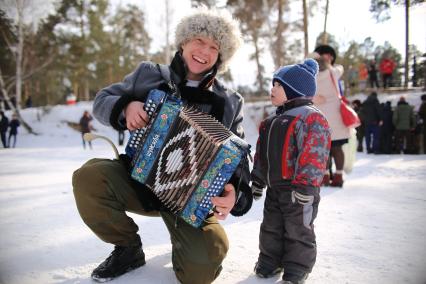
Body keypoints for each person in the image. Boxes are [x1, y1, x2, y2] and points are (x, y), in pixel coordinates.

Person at [72, 7, 253, 284]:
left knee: (200, 270)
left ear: (221, 57)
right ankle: (128, 249)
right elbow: (102, 100)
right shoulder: (149, 74)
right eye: (199, 41)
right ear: (183, 42)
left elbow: (238, 158)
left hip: (189, 199)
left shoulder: (229, 101)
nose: (204, 51)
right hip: (138, 181)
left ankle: (188, 247)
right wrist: (126, 106)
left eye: (214, 47)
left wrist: (234, 191)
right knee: (89, 177)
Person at [250, 59, 331, 284]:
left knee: (298, 229)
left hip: (299, 188)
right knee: (271, 227)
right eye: (272, 84)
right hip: (275, 188)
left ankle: (297, 268)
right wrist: (258, 180)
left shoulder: (310, 117)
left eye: (278, 85)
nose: (272, 89)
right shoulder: (270, 121)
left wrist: (306, 185)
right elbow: (261, 155)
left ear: (294, 90)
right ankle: (269, 261)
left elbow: (314, 154)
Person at [312, 45, 350, 187]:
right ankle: (339, 176)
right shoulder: (333, 72)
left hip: (319, 117)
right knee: (337, 148)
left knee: (324, 149)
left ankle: (326, 176)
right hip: (336, 116)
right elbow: (340, 68)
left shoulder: (312, 76)